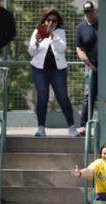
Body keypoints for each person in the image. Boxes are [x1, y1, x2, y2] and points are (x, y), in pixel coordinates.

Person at [28, 8, 78, 137]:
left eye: (54, 21)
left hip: (58, 70)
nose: (51, 23)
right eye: (48, 20)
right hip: (40, 70)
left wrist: (52, 36)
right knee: (42, 97)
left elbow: (61, 48)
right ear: (44, 21)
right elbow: (31, 52)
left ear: (57, 22)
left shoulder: (60, 33)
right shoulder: (37, 31)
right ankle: (41, 127)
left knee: (62, 97)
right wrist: (37, 42)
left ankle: (72, 127)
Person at [76, 1, 98, 135]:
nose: (88, 14)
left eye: (91, 11)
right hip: (91, 67)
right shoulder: (81, 28)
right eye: (86, 12)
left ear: (96, 11)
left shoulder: (104, 25)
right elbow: (79, 49)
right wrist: (89, 64)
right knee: (88, 95)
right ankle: (83, 125)